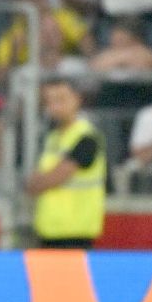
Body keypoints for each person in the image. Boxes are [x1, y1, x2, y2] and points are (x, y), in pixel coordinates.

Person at [26, 78, 106, 248]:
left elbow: (53, 178)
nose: (55, 107)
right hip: (49, 230)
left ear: (77, 99)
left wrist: (38, 182)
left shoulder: (86, 138)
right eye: (50, 102)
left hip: (75, 233)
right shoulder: (53, 138)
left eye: (61, 100)